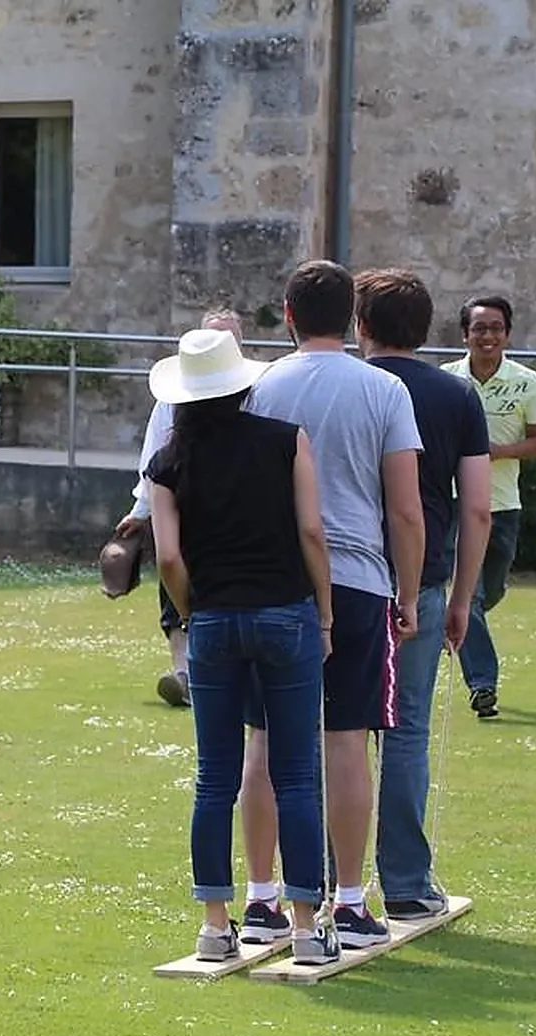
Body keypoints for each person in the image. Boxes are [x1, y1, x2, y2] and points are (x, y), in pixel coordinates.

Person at [237, 260, 424, 949]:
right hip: (355, 579)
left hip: (273, 578)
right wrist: (407, 595)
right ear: (353, 318)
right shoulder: (383, 389)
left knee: (263, 739)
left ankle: (260, 898)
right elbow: (405, 511)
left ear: (287, 314)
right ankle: (347, 900)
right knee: (347, 742)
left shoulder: (258, 387)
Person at [145, 327, 338, 965]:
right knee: (296, 776)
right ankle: (308, 929)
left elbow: (169, 555)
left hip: (216, 621)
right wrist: (327, 612)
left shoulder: (169, 461)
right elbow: (312, 530)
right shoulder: (286, 440)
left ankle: (213, 924)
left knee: (214, 779)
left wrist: (192, 607)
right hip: (286, 612)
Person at [354, 269, 491, 919]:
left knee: (338, 732)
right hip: (424, 577)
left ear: (363, 326)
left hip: (343, 577)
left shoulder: (350, 387)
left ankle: (330, 882)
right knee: (405, 732)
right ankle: (406, 885)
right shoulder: (455, 395)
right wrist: (464, 596)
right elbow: (478, 509)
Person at [118, 308, 246, 707]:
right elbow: (154, 459)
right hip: (181, 505)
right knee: (174, 588)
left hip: (237, 509)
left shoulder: (257, 394)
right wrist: (141, 512)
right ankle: (184, 673)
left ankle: (221, 672)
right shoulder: (171, 402)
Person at [441, 296, 536, 718]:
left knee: (490, 590)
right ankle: (482, 685)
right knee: (469, 592)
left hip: (504, 505)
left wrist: (498, 451)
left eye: (495, 328)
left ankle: (448, 626)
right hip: (454, 504)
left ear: (507, 333)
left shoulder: (527, 382)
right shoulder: (448, 381)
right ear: (465, 334)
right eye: (479, 328)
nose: (487, 336)